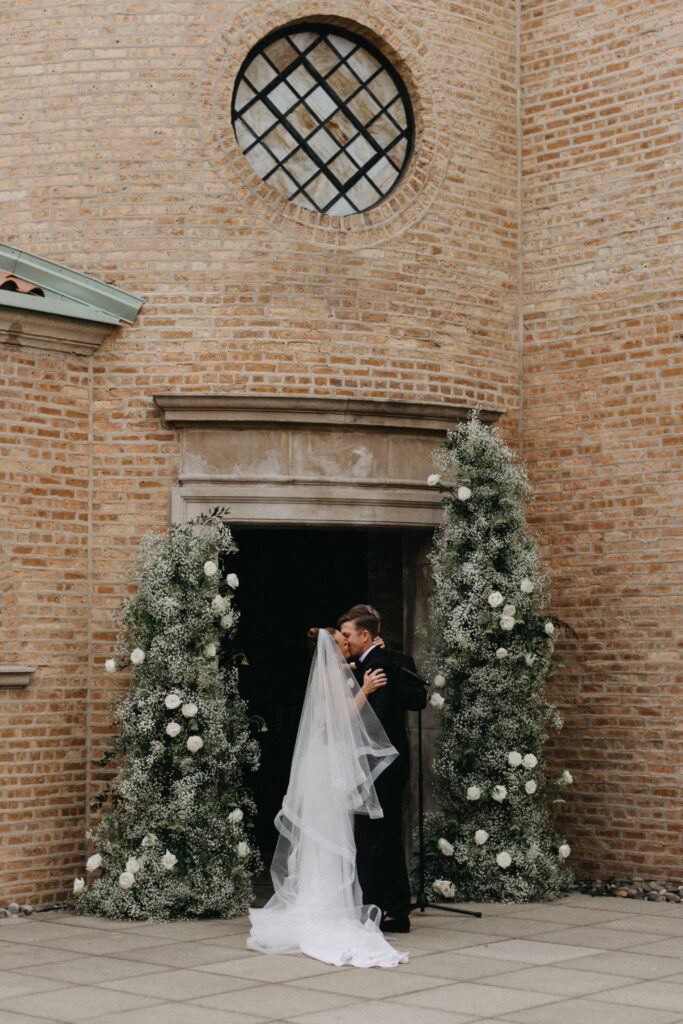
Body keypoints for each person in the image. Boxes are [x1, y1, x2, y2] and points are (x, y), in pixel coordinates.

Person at [246, 628, 408, 968]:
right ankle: (328, 904)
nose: (346, 644)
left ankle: (323, 896)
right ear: (330, 648)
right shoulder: (334, 674)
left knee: (330, 832)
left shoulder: (330, 672)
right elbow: (337, 720)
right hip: (330, 762)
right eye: (340, 641)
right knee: (334, 832)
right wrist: (364, 690)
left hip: (325, 763)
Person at [339, 605, 414, 933]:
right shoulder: (366, 666)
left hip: (378, 767)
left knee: (372, 839)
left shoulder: (380, 666)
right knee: (384, 837)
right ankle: (392, 908)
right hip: (384, 766)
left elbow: (377, 720)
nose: (346, 642)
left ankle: (377, 909)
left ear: (365, 635)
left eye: (348, 635)